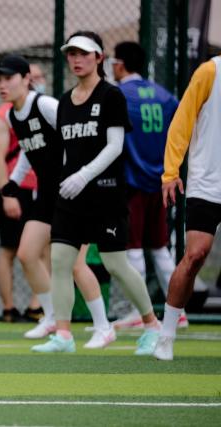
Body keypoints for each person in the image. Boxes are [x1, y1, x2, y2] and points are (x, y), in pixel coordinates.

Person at [31, 31, 160, 355]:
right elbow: (64, 151)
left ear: (99, 58)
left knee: (115, 263)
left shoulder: (111, 96)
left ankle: (152, 325)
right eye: (71, 54)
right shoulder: (63, 101)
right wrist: (61, 182)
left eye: (84, 53)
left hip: (105, 194)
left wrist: (84, 176)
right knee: (61, 260)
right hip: (71, 197)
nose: (77, 59)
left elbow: (115, 146)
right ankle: (63, 334)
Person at [0, 54, 114, 348]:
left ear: (25, 79)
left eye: (8, 78)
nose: (2, 85)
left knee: (74, 264)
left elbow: (76, 133)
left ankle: (103, 326)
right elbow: (27, 150)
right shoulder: (11, 115)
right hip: (47, 194)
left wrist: (81, 176)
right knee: (26, 254)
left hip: (73, 191)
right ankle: (50, 317)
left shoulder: (44, 105)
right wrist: (14, 181)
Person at [110, 41, 187, 330]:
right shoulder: (165, 96)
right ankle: (179, 311)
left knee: (133, 247)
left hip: (132, 181)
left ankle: (137, 310)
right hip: (161, 180)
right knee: (159, 247)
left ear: (120, 64)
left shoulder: (119, 95)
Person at [154, 55, 221, 361]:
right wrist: (171, 172)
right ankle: (166, 335)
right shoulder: (211, 71)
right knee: (195, 255)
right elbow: (182, 122)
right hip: (207, 182)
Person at [0, 101, 38, 322]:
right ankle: (9, 308)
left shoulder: (40, 109)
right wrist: (8, 194)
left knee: (43, 250)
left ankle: (38, 306)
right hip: (16, 188)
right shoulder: (0, 116)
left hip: (39, 187)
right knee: (10, 248)